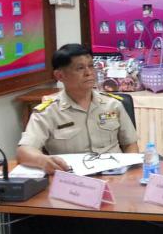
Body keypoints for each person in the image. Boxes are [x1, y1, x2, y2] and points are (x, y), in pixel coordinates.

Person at [17, 44, 139, 173]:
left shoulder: (113, 105)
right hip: (72, 178)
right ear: (59, 76)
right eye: (80, 68)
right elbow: (24, 151)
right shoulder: (48, 112)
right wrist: (43, 161)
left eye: (91, 66)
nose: (89, 73)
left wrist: (130, 173)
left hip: (114, 175)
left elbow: (130, 144)